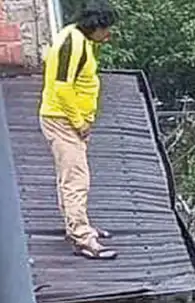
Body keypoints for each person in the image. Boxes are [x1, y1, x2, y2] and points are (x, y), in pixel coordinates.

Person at [39, 1, 118, 260]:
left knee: (70, 175)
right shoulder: (72, 43)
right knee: (76, 179)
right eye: (106, 29)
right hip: (62, 120)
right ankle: (83, 238)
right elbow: (62, 87)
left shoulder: (80, 39)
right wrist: (79, 121)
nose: (108, 34)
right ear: (94, 26)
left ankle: (76, 225)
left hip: (68, 120)